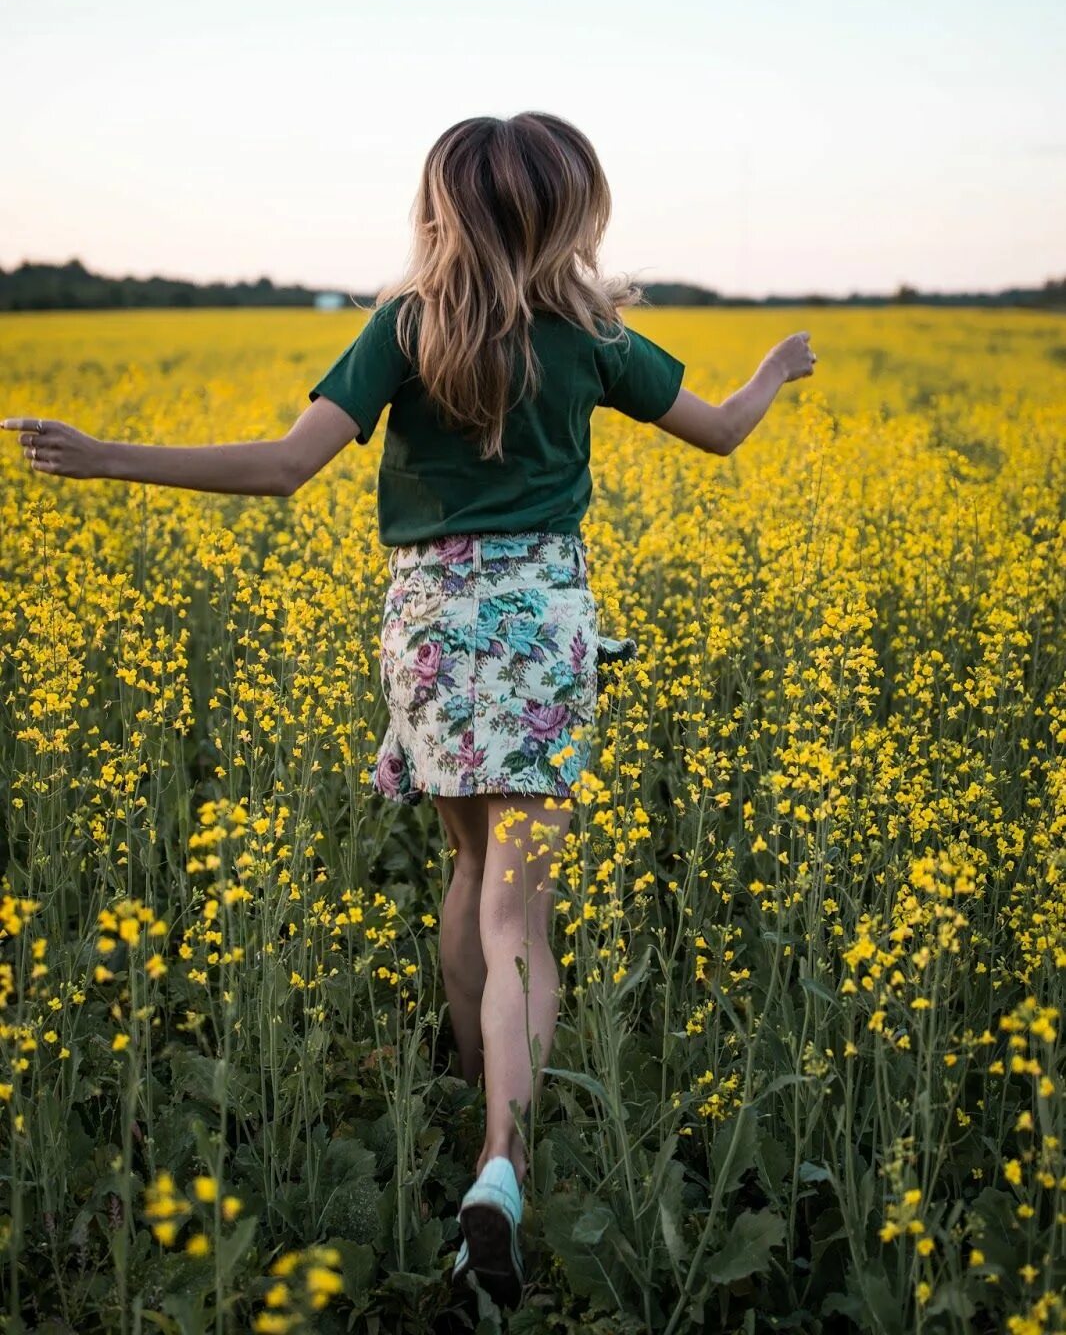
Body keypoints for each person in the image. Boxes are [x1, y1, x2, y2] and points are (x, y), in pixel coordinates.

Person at [2, 111, 816, 1308]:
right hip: (540, 629)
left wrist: (111, 454)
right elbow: (726, 434)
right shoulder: (594, 332)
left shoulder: (408, 326)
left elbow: (284, 466)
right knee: (517, 916)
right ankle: (504, 1157)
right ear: (568, 212)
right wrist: (773, 371)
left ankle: (472, 1077)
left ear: (440, 207)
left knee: (465, 874)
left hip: (430, 631)